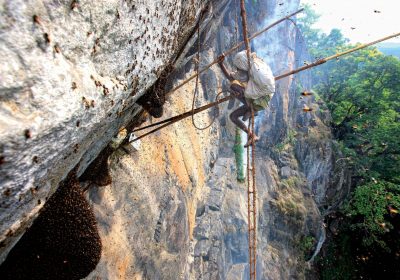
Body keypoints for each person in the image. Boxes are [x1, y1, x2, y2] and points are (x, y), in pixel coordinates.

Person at [218, 50, 275, 147]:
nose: (237, 69)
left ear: (243, 64)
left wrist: (247, 92)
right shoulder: (250, 67)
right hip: (256, 99)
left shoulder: (255, 69)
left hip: (259, 101)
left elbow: (269, 87)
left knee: (234, 86)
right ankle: (252, 135)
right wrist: (221, 64)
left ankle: (251, 108)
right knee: (233, 117)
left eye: (239, 67)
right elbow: (231, 77)